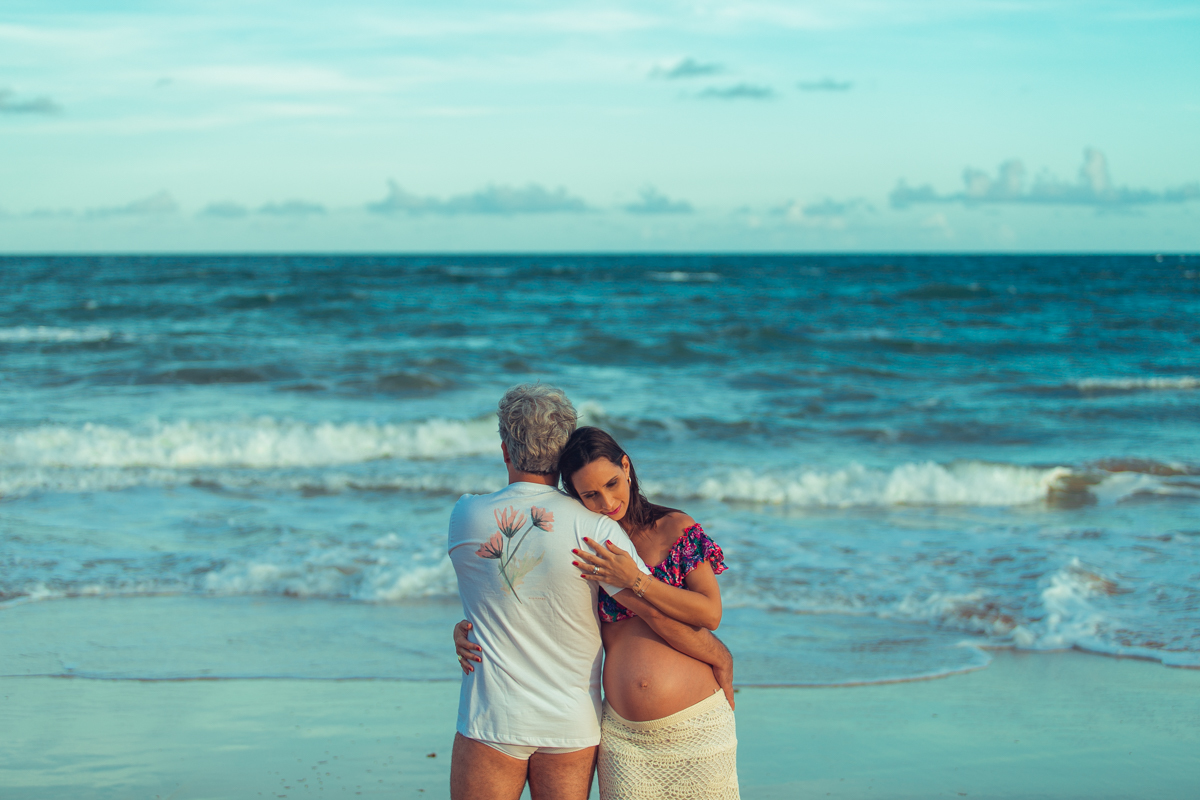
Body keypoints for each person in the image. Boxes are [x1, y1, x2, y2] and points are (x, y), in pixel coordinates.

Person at [448, 385, 734, 800]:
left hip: (490, 714)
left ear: (505, 451)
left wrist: (463, 630)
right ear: (564, 454)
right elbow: (650, 613)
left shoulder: (464, 515)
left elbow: (489, 590)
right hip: (571, 724)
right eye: (593, 492)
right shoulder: (595, 528)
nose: (605, 500)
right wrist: (720, 655)